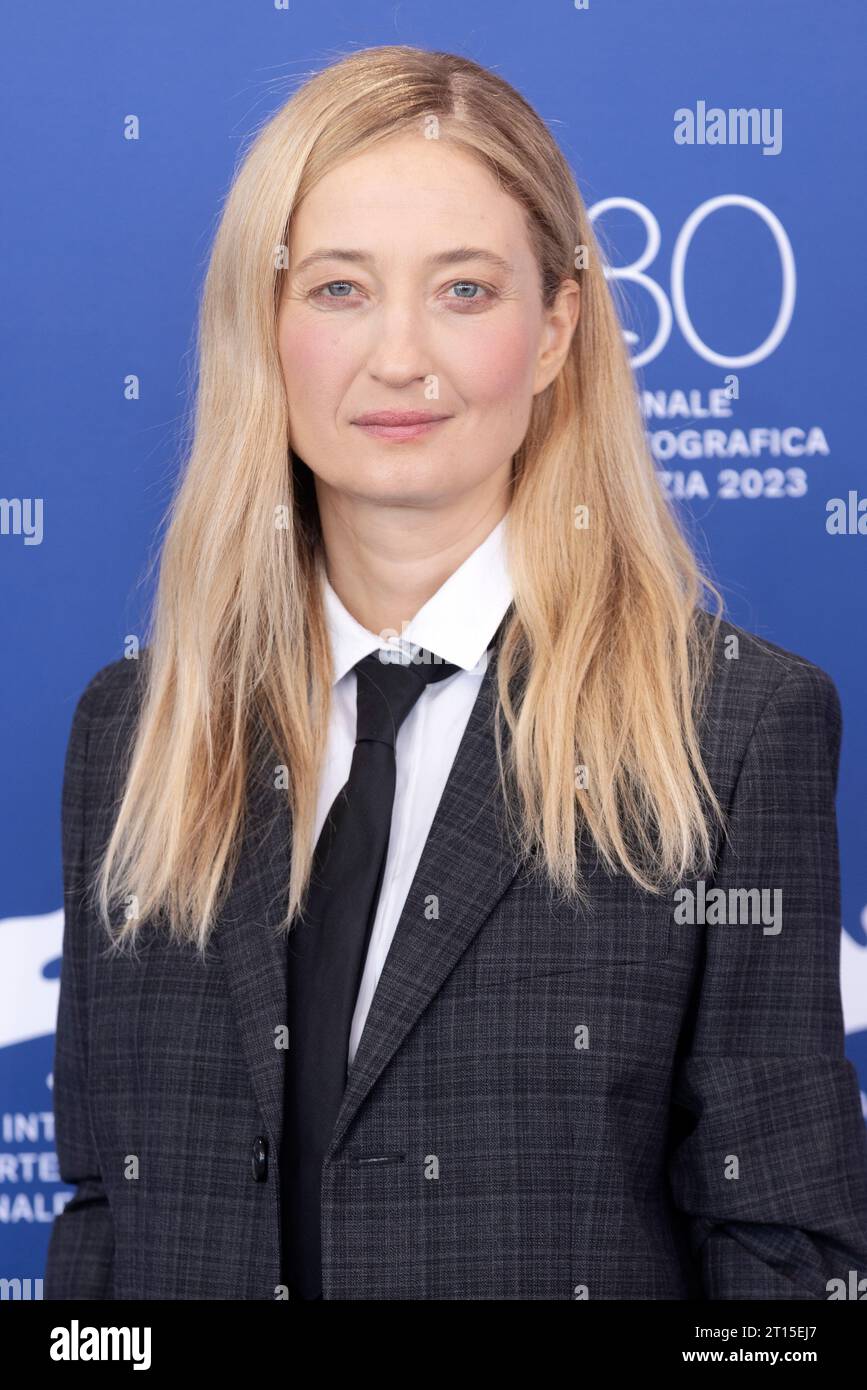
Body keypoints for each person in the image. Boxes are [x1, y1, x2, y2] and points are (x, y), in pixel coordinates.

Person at [45, 44, 867, 1301]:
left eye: (466, 290)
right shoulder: (135, 729)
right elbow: (105, 1222)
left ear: (554, 331)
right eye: (337, 289)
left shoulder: (730, 726)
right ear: (263, 328)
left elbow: (788, 1259)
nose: (399, 356)